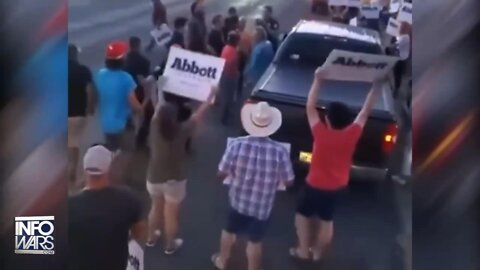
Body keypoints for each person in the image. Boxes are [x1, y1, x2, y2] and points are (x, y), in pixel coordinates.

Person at [290, 67, 382, 262]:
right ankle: (317, 252)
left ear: (328, 119)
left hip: (314, 184)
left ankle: (303, 250)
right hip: (337, 186)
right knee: (326, 220)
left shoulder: (321, 134)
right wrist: (376, 86)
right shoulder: (352, 134)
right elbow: (366, 111)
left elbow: (310, 106)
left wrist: (318, 80)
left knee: (302, 214)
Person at [211, 101, 295, 270]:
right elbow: (289, 181)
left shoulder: (236, 145)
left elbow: (221, 173)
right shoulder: (280, 152)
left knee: (229, 231)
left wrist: (228, 175)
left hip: (238, 201)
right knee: (255, 241)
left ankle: (222, 260)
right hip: (262, 207)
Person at [146, 83, 217, 254]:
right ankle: (170, 245)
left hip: (154, 176)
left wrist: (160, 88)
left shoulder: (155, 126)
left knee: (155, 207)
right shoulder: (182, 130)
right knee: (171, 214)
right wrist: (211, 95)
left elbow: (159, 106)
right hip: (175, 178)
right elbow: (199, 114)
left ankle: (151, 238)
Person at [68, 144, 147, 270]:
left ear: (84, 170)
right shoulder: (128, 199)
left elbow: (30, 240)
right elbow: (139, 232)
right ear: (108, 169)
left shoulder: (69, 207)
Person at [94, 41, 143, 153]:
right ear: (121, 60)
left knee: (111, 151)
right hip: (123, 124)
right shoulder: (126, 78)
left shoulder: (100, 75)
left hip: (106, 123)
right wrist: (141, 111)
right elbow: (134, 104)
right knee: (127, 152)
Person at [68, 44, 94, 186]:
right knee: (76, 142)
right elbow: (90, 91)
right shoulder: (83, 70)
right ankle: (73, 170)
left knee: (69, 142)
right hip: (78, 112)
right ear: (75, 55)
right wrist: (90, 108)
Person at [125, 37, 152, 149]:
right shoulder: (144, 61)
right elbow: (144, 80)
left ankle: (128, 125)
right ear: (138, 45)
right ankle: (140, 140)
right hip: (138, 91)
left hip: (126, 90)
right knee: (142, 116)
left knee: (130, 111)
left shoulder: (123, 60)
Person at [219, 31, 240, 125]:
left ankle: (224, 114)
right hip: (230, 76)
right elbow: (231, 63)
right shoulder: (234, 51)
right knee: (229, 97)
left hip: (223, 74)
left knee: (224, 96)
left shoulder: (225, 48)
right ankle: (225, 116)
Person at [237, 17, 254, 99]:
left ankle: (238, 91)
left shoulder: (247, 35)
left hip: (242, 57)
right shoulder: (236, 34)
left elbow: (250, 47)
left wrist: (249, 56)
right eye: (241, 23)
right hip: (237, 56)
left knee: (240, 74)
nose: (241, 25)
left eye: (243, 23)